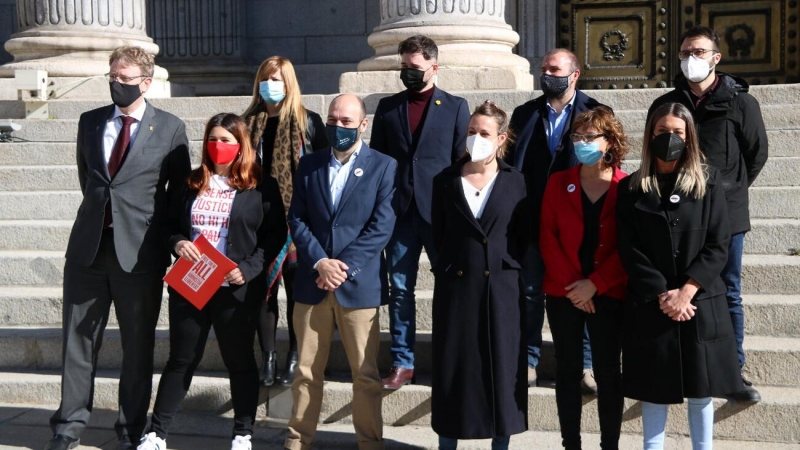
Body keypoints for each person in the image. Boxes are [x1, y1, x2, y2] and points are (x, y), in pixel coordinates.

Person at [44, 46, 191, 450]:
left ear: (146, 82)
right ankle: (67, 428)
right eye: (112, 77)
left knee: (138, 345)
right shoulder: (89, 122)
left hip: (140, 254)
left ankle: (129, 430)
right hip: (87, 251)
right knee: (77, 342)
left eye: (125, 80)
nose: (116, 85)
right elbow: (89, 181)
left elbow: (176, 195)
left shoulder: (170, 128)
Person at [136, 114, 284, 450]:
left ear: (241, 145)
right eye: (213, 139)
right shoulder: (190, 182)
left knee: (240, 361)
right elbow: (167, 225)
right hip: (192, 282)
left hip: (236, 287)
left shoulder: (261, 185)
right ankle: (156, 433)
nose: (219, 146)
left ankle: (243, 433)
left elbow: (274, 236)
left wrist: (248, 268)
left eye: (227, 140)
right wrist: (176, 242)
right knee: (181, 359)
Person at [647, 25, 768, 402]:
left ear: (716, 58)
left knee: (727, 291)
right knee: (674, 287)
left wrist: (724, 192)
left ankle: (734, 370)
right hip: (675, 212)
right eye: (685, 53)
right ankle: (676, 366)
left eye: (699, 52)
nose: (690, 59)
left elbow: (756, 154)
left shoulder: (740, 102)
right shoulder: (667, 104)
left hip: (725, 214)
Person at [617, 102, 743, 449]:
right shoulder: (630, 189)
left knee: (700, 392)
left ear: (689, 138)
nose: (669, 138)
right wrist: (662, 294)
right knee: (654, 391)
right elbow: (630, 250)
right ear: (649, 134)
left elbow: (718, 244)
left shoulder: (709, 182)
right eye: (661, 132)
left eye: (677, 133)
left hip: (698, 303)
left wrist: (686, 292)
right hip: (652, 306)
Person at [284, 94, 397, 450]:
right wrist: (320, 262)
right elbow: (297, 219)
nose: (338, 127)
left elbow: (381, 227)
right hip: (312, 281)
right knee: (305, 373)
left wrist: (342, 268)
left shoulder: (383, 166)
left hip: (358, 285)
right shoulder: (310, 164)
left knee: (365, 375)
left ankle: (370, 444)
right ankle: (297, 442)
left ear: (363, 124)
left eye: (347, 121)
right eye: (333, 120)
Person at [370, 35, 470, 389]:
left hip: (439, 213)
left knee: (448, 286)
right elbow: (376, 161)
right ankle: (402, 361)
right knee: (399, 289)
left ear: (433, 67)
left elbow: (462, 162)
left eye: (414, 68)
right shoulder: (387, 108)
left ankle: (448, 358)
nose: (407, 73)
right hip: (399, 213)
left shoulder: (456, 107)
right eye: (404, 67)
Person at [430, 101, 529, 450]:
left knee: (501, 371)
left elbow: (521, 235)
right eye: (471, 132)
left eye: (484, 133)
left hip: (502, 291)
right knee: (454, 370)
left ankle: (500, 444)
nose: (475, 138)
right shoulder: (445, 180)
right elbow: (438, 233)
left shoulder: (516, 181)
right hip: (457, 287)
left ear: (501, 139)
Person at [507, 48, 602, 391]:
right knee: (530, 293)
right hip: (532, 221)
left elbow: (606, 164)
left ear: (574, 75)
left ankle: (585, 365)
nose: (547, 73)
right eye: (544, 67)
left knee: (580, 294)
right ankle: (528, 360)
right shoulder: (525, 113)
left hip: (578, 220)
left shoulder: (595, 112)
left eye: (555, 68)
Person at [540, 106, 628, 450]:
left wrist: (597, 284)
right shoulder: (559, 182)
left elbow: (631, 246)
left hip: (609, 292)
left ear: (609, 141)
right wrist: (576, 286)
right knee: (568, 369)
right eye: (577, 137)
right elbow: (548, 238)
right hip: (564, 292)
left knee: (607, 371)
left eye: (590, 137)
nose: (582, 143)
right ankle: (570, 443)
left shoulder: (627, 186)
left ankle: (610, 444)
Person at [242, 55, 328, 387]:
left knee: (295, 291)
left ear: (289, 83)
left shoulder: (309, 121)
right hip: (259, 218)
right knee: (264, 291)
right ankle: (268, 358)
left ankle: (293, 356)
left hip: (297, 220)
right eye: (266, 78)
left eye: (277, 79)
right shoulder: (246, 122)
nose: (271, 85)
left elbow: (323, 172)